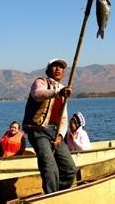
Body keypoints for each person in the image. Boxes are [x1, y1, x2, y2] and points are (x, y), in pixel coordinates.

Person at [22, 58, 77, 194]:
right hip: (38, 130)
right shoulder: (41, 82)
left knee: (70, 169)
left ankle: (57, 193)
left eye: (61, 67)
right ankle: (51, 195)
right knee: (50, 167)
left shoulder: (64, 90)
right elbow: (37, 94)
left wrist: (60, 136)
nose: (58, 69)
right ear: (49, 69)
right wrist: (57, 93)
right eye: (55, 66)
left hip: (55, 131)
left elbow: (63, 117)